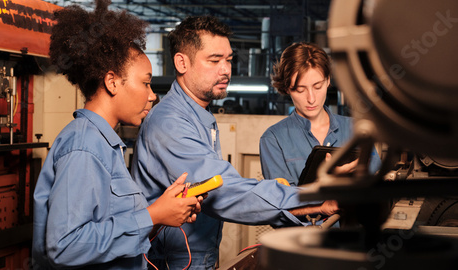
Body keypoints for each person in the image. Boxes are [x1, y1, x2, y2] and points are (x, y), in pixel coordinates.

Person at [131, 16, 339, 270]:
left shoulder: (199, 115)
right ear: (181, 62)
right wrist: (315, 198)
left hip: (198, 257)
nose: (226, 69)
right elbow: (224, 191)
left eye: (228, 60)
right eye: (214, 60)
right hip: (173, 263)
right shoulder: (169, 123)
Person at [32, 0, 202, 270]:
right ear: (112, 81)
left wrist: (163, 212)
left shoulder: (103, 143)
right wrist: (152, 214)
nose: (152, 96)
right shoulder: (84, 147)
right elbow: (63, 246)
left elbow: (112, 235)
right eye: (146, 84)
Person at [259, 42, 381, 187]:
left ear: (328, 80)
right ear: (287, 88)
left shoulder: (357, 129)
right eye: (300, 90)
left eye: (317, 87)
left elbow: (378, 182)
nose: (311, 98)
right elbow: (282, 201)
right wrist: (327, 180)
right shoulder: (273, 140)